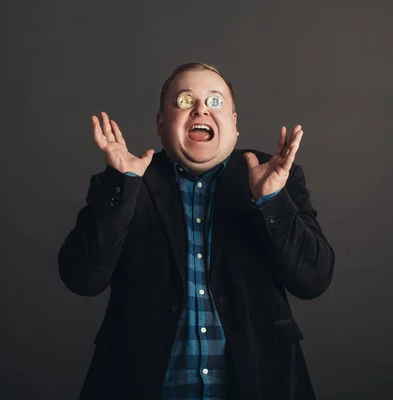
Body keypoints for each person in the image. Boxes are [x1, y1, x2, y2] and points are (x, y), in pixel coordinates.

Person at [58, 62, 334, 400]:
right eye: (185, 101)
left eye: (215, 101)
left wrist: (272, 199)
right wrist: (123, 185)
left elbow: (313, 280)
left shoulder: (276, 176)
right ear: (161, 124)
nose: (201, 108)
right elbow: (81, 279)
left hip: (261, 385)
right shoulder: (123, 182)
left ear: (233, 125)